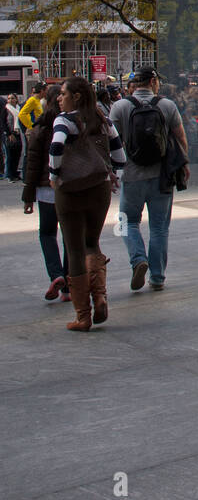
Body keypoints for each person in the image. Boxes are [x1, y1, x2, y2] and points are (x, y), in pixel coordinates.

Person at [49, 76, 126, 332]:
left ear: (76, 96)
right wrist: (115, 175)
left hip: (70, 190)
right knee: (92, 242)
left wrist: (53, 175)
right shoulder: (102, 119)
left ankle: (83, 315)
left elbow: (57, 145)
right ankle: (100, 296)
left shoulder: (65, 120)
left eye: (63, 93)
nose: (59, 98)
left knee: (74, 249)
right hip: (99, 188)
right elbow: (119, 153)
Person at [110, 67, 190, 292]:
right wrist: (184, 164)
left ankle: (138, 259)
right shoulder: (167, 105)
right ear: (153, 81)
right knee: (159, 228)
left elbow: (109, 141)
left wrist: (112, 171)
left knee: (126, 222)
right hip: (161, 177)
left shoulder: (121, 106)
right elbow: (180, 136)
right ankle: (157, 277)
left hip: (131, 175)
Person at [22, 85, 70, 301]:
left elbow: (32, 165)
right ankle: (69, 284)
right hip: (70, 188)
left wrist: (28, 197)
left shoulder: (40, 129)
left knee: (47, 233)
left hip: (45, 190)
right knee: (71, 235)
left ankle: (56, 274)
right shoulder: (73, 125)